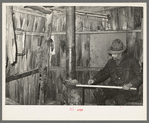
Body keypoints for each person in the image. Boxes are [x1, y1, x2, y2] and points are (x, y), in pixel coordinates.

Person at [88, 39, 142, 105]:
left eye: (114, 54)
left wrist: (130, 84)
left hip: (128, 90)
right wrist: (94, 79)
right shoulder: (110, 62)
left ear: (121, 53)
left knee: (119, 98)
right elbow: (104, 72)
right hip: (114, 88)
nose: (112, 55)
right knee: (98, 92)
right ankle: (101, 113)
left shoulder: (131, 61)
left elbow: (139, 76)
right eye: (111, 53)